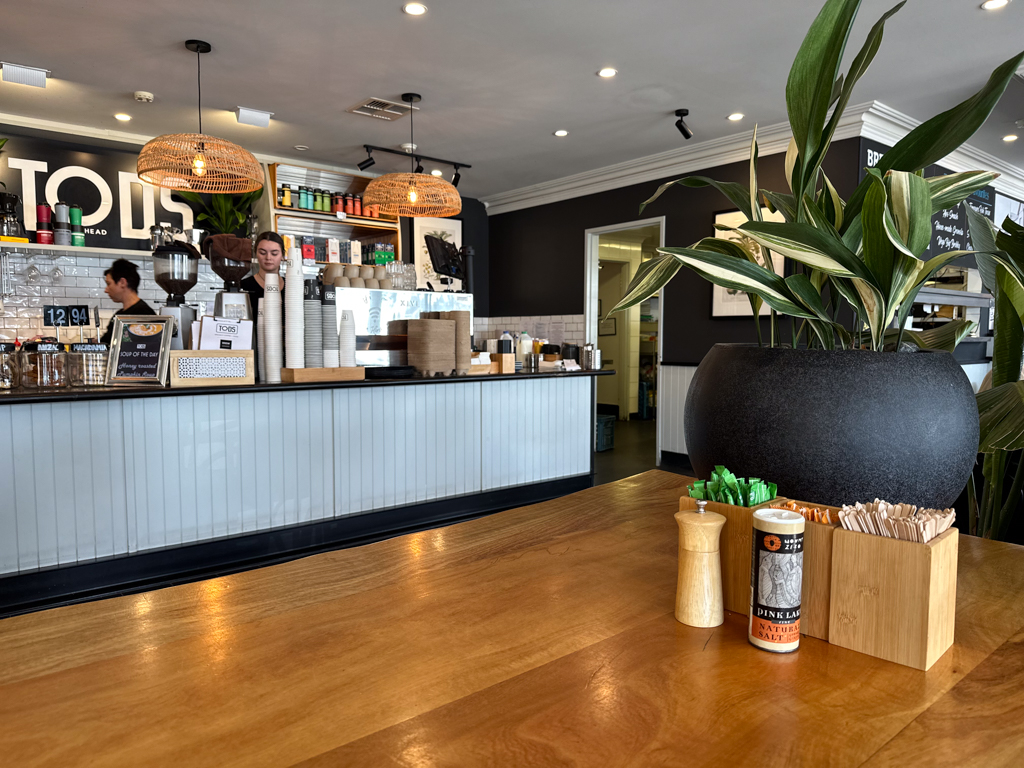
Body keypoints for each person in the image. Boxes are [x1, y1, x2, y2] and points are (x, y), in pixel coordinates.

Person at [100, 258, 156, 344]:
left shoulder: (143, 314)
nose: (106, 290)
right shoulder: (119, 314)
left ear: (122, 282)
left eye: (109, 284)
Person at [240, 231, 286, 306]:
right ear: (256, 253)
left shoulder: (291, 287)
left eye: (274, 253)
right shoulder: (244, 286)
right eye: (262, 253)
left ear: (282, 255)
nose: (268, 258)